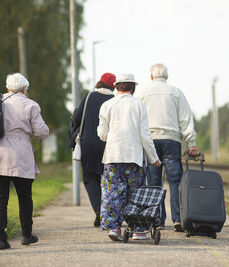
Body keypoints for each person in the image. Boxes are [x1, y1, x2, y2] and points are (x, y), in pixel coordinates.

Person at [0, 73, 49, 250]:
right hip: (20, 155)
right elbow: (41, 132)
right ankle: (26, 235)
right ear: (24, 89)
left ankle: (1, 239)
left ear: (8, 88)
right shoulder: (30, 105)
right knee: (25, 197)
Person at [97, 73, 161, 241]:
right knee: (135, 194)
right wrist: (154, 157)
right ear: (133, 87)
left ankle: (114, 228)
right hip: (134, 157)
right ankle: (138, 230)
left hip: (112, 156)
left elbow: (102, 134)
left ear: (117, 86)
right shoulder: (138, 105)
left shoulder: (107, 105)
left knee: (112, 193)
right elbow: (145, 135)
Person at [137, 63, 199, 232]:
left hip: (151, 141)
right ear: (167, 76)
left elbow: (138, 119)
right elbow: (186, 119)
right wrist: (191, 143)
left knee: (154, 183)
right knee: (175, 182)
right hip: (172, 141)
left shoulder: (142, 94)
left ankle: (157, 221)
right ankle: (178, 219)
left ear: (151, 76)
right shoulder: (176, 92)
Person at [69, 73, 116, 227]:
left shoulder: (89, 97)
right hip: (109, 145)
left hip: (88, 144)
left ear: (100, 83)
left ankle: (99, 211)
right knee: (109, 181)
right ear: (113, 86)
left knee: (90, 180)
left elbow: (76, 118)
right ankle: (107, 212)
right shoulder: (115, 100)